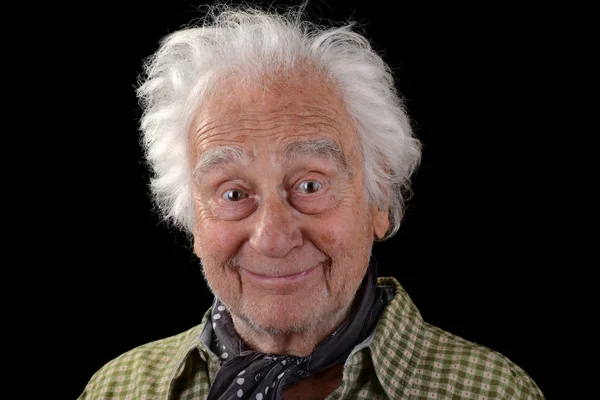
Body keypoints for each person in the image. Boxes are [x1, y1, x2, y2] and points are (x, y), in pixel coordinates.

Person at [78, 3, 544, 399]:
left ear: (377, 200)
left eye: (310, 186)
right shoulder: (120, 388)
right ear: (192, 221)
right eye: (234, 194)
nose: (274, 239)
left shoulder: (490, 391)